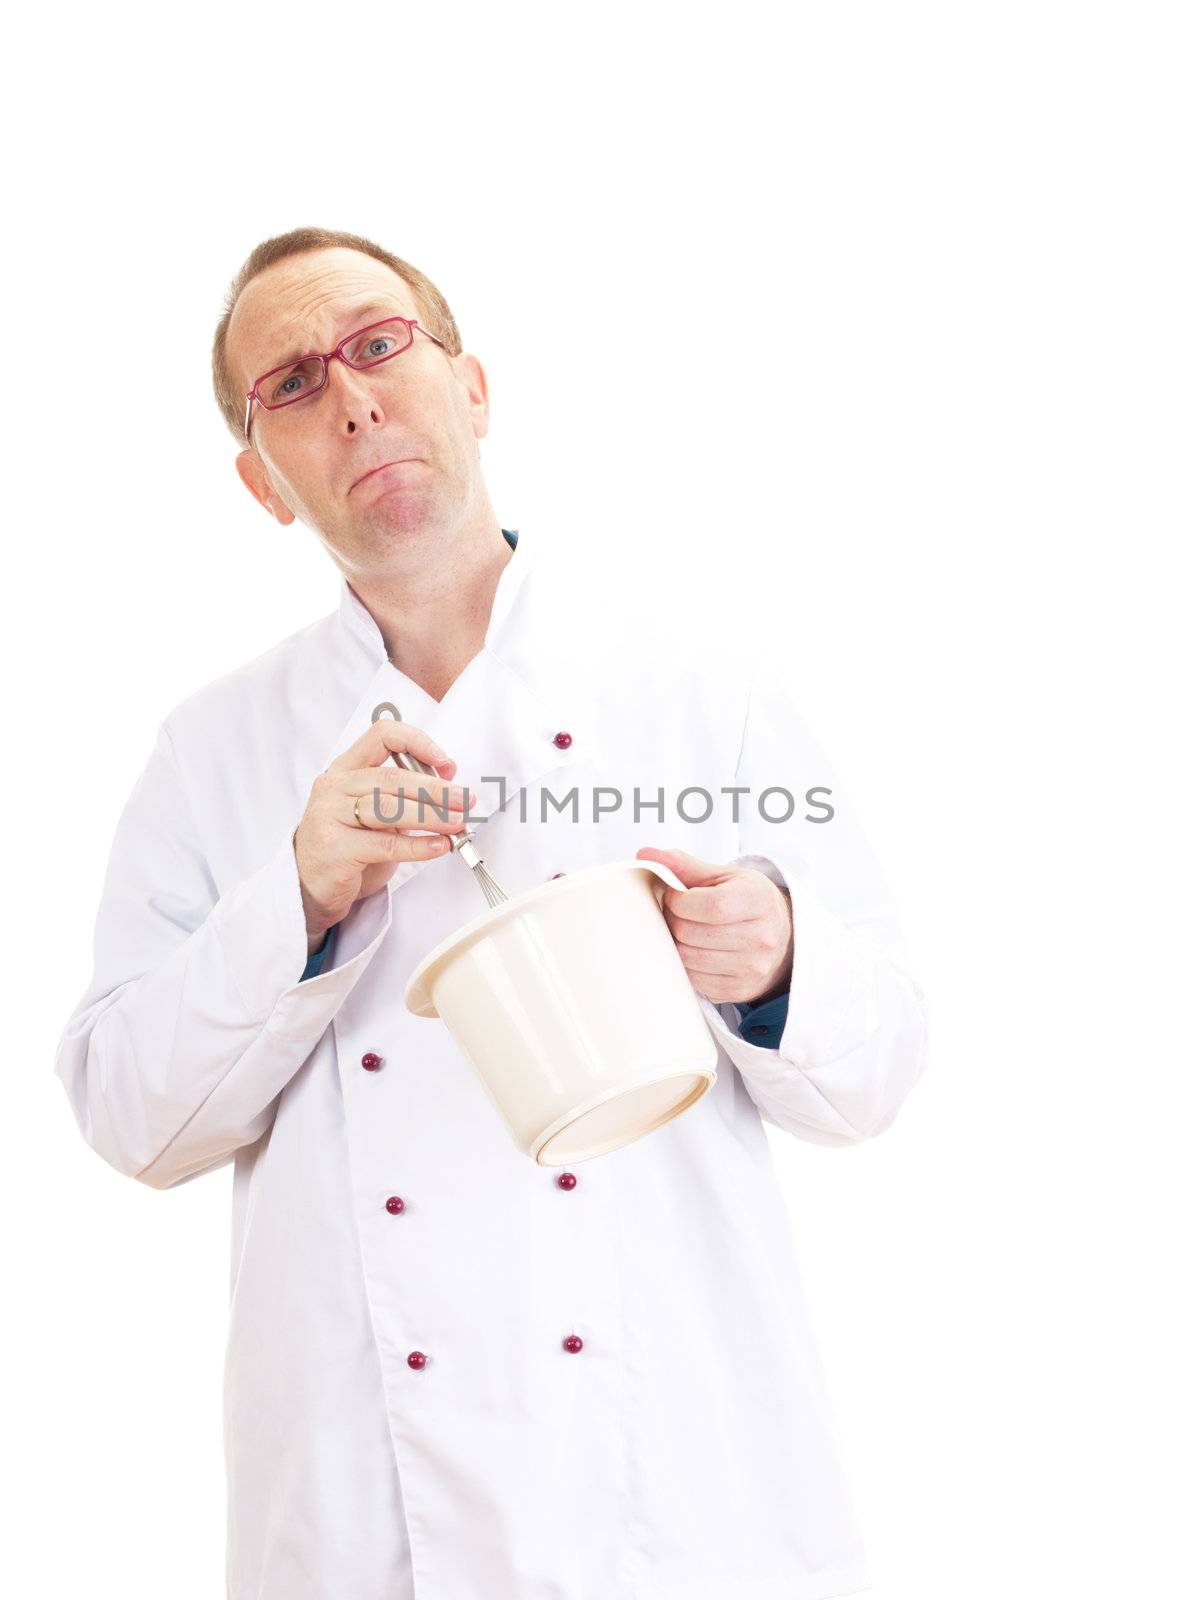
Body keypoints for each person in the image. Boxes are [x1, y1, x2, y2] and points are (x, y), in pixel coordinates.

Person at [54, 226, 929, 1600]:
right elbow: (126, 1116)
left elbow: (876, 1071)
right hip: (369, 1523)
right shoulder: (213, 751)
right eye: (289, 384)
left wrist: (777, 963)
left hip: (677, 1494)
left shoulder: (703, 687)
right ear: (264, 483)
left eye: (378, 344)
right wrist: (299, 894)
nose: (349, 397)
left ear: (469, 386)